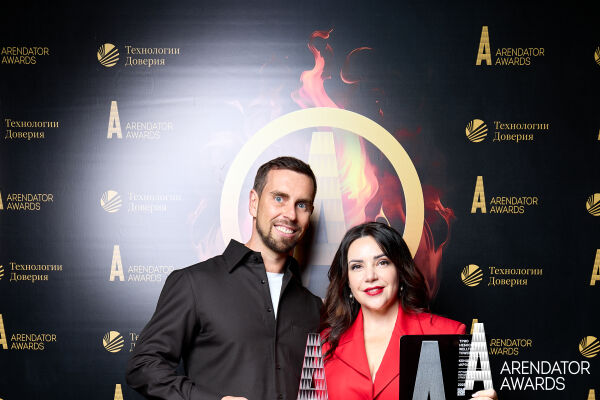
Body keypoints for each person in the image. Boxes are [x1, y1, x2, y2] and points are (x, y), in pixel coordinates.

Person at [126, 156, 323, 400]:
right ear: (253, 203)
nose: (290, 214)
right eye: (279, 198)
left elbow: (315, 390)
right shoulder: (195, 283)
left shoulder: (313, 307)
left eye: (302, 204)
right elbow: (143, 366)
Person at [320, 222, 498, 400]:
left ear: (400, 269)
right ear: (347, 280)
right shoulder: (324, 344)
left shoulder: (450, 334)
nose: (370, 276)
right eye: (357, 266)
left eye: (382, 262)